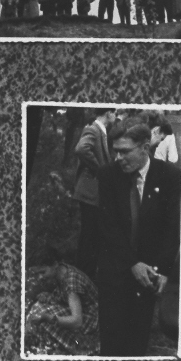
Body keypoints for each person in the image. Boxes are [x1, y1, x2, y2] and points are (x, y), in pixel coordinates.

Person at [94, 122, 181, 357]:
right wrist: (132, 263)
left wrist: (163, 270)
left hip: (148, 276)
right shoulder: (108, 175)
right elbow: (108, 226)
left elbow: (172, 227)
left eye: (124, 151)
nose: (118, 158)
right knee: (111, 343)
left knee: (137, 342)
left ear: (145, 148)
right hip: (116, 269)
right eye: (115, 151)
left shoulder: (169, 177)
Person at [25, 246, 101, 355]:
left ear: (55, 264)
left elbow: (77, 321)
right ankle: (40, 341)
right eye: (37, 274)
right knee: (39, 306)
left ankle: (77, 348)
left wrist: (47, 318)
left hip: (94, 322)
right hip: (85, 313)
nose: (40, 277)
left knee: (42, 314)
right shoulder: (63, 270)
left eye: (43, 272)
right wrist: (51, 297)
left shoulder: (71, 282)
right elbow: (67, 298)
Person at [72, 108, 116, 276]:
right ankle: (82, 276)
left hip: (93, 193)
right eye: (115, 113)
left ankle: (85, 276)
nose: (115, 116)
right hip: (89, 191)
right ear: (108, 113)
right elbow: (81, 149)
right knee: (88, 237)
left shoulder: (102, 131)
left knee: (91, 236)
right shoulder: (94, 129)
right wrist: (99, 169)